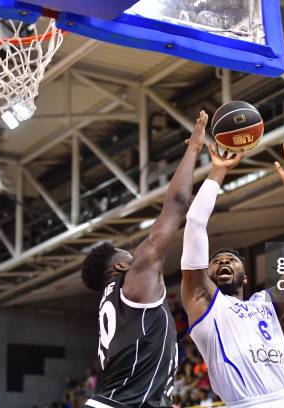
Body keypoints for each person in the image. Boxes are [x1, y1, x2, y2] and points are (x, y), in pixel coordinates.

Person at [81, 111, 209, 408]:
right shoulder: (134, 283)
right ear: (122, 266)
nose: (136, 253)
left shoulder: (116, 302)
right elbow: (176, 206)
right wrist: (193, 149)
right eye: (129, 254)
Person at [180, 140, 284, 407]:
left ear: (245, 277)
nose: (223, 262)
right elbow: (195, 224)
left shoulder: (266, 303)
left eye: (231, 260)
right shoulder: (205, 303)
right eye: (216, 261)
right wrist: (218, 171)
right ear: (205, 277)